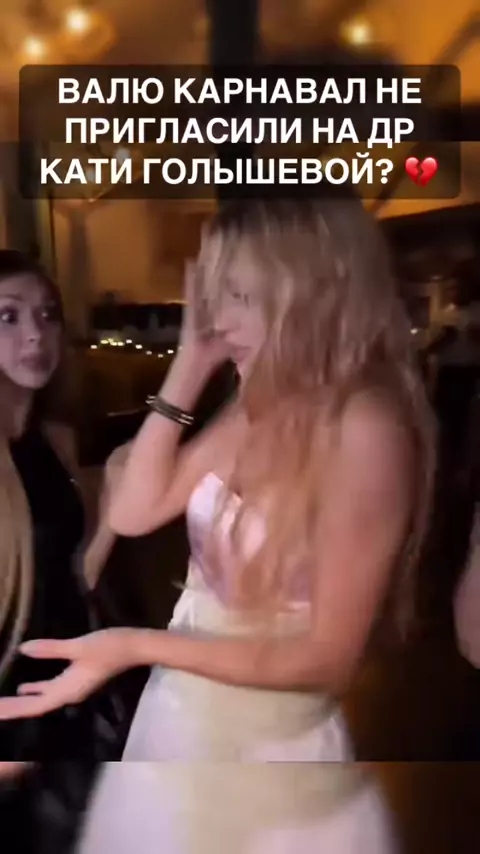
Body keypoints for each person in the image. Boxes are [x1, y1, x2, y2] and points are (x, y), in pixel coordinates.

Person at [0, 199, 436, 852]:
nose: (219, 318)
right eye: (217, 293)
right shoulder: (258, 400)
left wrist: (137, 647)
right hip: (177, 716)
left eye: (242, 295)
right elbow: (133, 511)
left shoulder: (364, 426)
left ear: (314, 291)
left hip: (269, 742)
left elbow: (327, 659)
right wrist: (190, 364)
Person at [0, 249, 121, 761]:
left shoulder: (57, 440)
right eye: (8, 316)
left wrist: (112, 509)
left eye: (48, 314)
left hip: (69, 681)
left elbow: (76, 575)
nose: (36, 333)